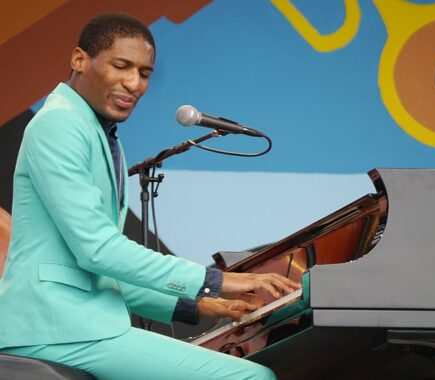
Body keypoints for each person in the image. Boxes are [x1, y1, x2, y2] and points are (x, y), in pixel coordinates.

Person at [0, 12, 300, 380]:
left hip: (72, 325)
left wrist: (201, 306)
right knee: (253, 378)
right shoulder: (59, 125)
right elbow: (99, 250)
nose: (134, 84)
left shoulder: (96, 131)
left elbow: (98, 271)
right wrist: (218, 280)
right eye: (122, 66)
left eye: (144, 74)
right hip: (56, 329)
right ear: (79, 59)